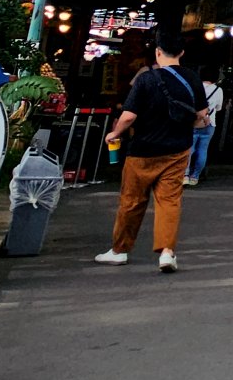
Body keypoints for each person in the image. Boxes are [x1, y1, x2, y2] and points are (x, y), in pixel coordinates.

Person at [94, 30, 207, 273]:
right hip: (177, 150)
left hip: (142, 151)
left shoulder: (146, 79)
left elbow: (129, 116)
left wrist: (114, 134)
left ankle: (119, 251)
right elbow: (201, 118)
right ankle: (166, 253)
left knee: (132, 201)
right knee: (169, 201)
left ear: (157, 52)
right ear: (182, 53)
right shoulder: (193, 79)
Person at [185, 74, 224, 187]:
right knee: (202, 150)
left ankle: (185, 176)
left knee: (189, 150)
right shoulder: (218, 90)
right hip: (210, 123)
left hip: (193, 122)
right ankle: (195, 177)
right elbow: (219, 108)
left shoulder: (194, 87)